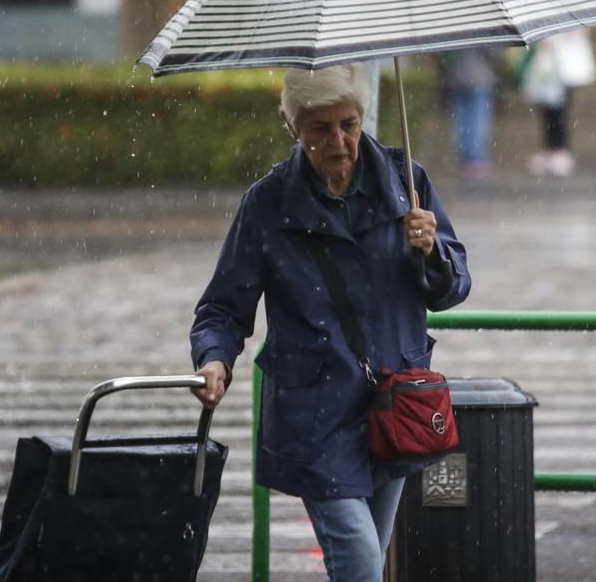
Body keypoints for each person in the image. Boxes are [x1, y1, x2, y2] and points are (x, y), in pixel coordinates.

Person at [189, 63, 472, 582]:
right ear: (293, 128)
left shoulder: (406, 181)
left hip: (396, 402)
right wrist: (214, 360)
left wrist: (432, 250)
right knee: (361, 563)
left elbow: (452, 289)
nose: (339, 140)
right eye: (321, 128)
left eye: (349, 123)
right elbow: (223, 308)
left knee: (364, 562)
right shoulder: (268, 203)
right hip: (314, 412)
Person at [519, 28, 596, 177]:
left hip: (565, 69)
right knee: (547, 112)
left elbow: (578, 35)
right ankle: (550, 150)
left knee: (559, 113)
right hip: (548, 72)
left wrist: (559, 41)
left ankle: (560, 150)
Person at [439, 48, 498, 180]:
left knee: (461, 120)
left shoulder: (452, 33)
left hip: (457, 78)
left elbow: (445, 56)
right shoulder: (482, 31)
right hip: (479, 78)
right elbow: (492, 53)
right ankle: (475, 157)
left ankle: (465, 156)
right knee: (477, 119)